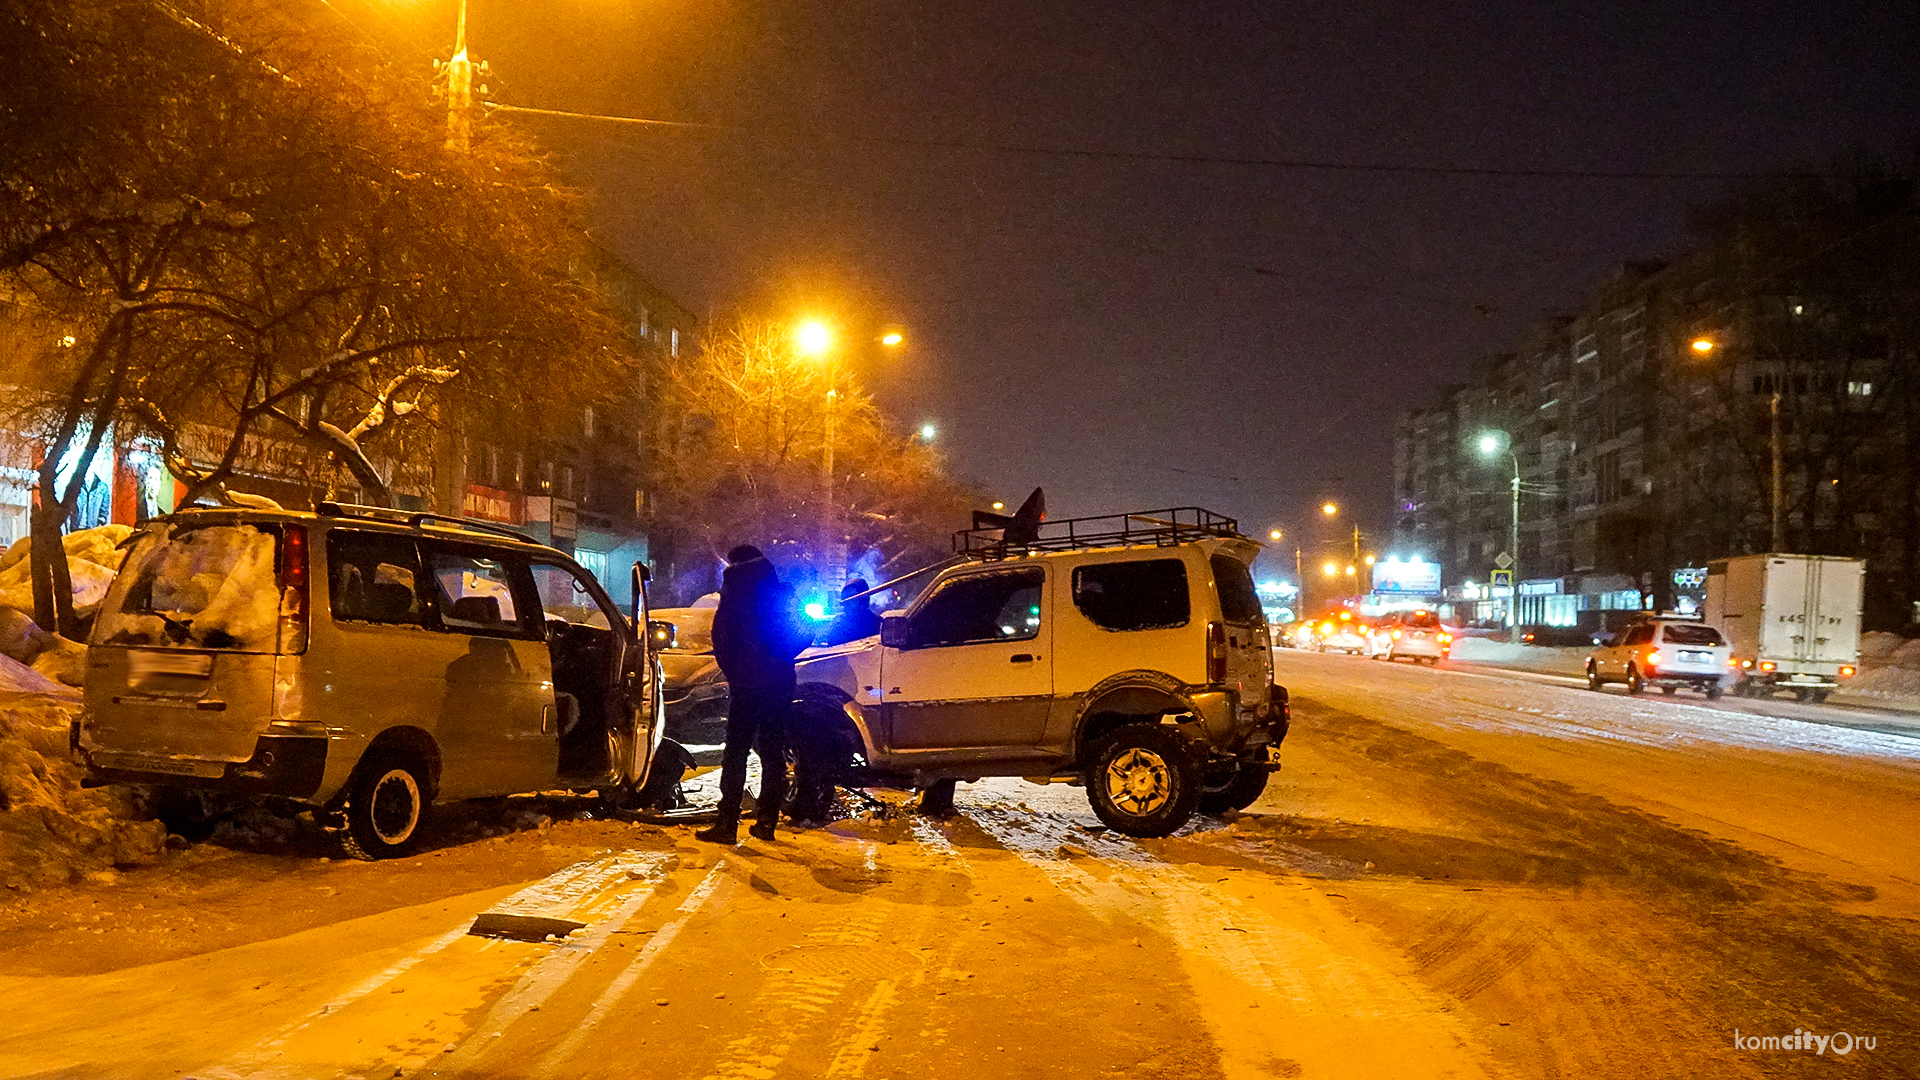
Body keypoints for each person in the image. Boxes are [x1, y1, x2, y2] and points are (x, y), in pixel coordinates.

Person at [696, 545, 807, 845]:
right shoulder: (782, 592)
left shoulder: (733, 593)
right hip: (779, 680)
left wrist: (737, 672)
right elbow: (804, 631)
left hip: (746, 685)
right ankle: (767, 821)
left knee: (736, 753)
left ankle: (727, 823)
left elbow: (721, 640)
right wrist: (781, 656)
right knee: (773, 750)